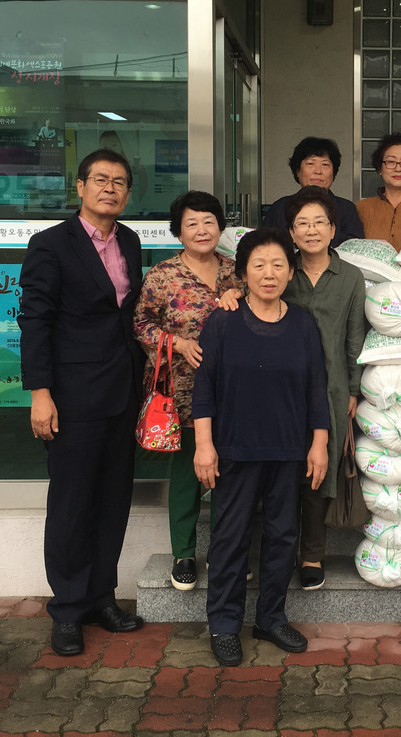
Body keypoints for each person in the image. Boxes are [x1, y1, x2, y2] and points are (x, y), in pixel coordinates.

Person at [19, 148, 146, 657]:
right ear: (80, 186)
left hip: (122, 392)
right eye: (100, 179)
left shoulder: (130, 241)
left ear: (128, 192)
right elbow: (35, 320)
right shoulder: (51, 244)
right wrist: (40, 393)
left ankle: (101, 598)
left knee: (113, 500)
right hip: (71, 396)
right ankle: (68, 609)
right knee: (72, 504)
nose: (110, 189)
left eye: (119, 182)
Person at [192, 228, 330, 666]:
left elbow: (316, 388)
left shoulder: (302, 324)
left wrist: (319, 444)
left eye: (277, 265)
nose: (268, 274)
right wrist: (204, 445)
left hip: (289, 450)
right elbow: (204, 389)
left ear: (290, 272)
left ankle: (270, 618)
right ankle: (224, 624)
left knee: (282, 536)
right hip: (235, 449)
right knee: (230, 537)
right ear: (243, 273)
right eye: (259, 265)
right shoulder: (223, 322)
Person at [133, 191, 242, 593]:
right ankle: (184, 553)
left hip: (234, 390)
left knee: (231, 474)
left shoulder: (237, 271)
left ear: (220, 227)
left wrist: (241, 294)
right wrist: (176, 343)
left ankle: (224, 551)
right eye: (191, 223)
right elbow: (140, 323)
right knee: (187, 474)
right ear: (178, 232)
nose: (201, 230)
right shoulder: (162, 275)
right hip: (182, 389)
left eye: (209, 221)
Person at [281, 186, 365, 589]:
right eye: (302, 223)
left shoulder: (350, 277)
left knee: (320, 469)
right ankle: (280, 551)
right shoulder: (281, 271)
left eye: (319, 222)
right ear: (291, 233)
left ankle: (312, 554)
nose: (311, 230)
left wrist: (352, 390)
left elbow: (354, 336)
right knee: (283, 470)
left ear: (333, 230)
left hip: (330, 388)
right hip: (281, 389)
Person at [262, 137, 364, 245]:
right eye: (310, 164)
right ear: (298, 171)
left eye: (325, 165)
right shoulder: (280, 208)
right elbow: (264, 245)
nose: (318, 171)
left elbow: (355, 248)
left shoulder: (347, 209)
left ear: (333, 173)